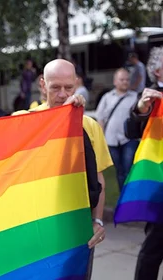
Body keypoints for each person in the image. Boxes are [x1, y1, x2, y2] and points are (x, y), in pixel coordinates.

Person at [13, 59, 113, 279]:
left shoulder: (90, 126)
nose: (62, 94)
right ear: (42, 84)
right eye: (55, 87)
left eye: (68, 88)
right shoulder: (23, 122)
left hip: (77, 228)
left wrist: (97, 221)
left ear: (76, 84)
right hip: (35, 229)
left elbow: (99, 180)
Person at [125, 46, 163, 280]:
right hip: (160, 185)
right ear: (158, 71)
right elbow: (130, 131)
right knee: (154, 248)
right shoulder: (151, 97)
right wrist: (141, 109)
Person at [96, 68, 139, 192]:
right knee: (119, 171)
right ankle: (123, 196)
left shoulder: (135, 97)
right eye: (122, 79)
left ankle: (130, 195)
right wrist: (102, 138)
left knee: (128, 169)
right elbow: (100, 118)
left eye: (127, 79)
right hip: (111, 141)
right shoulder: (107, 97)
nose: (125, 82)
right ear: (115, 81)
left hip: (129, 140)